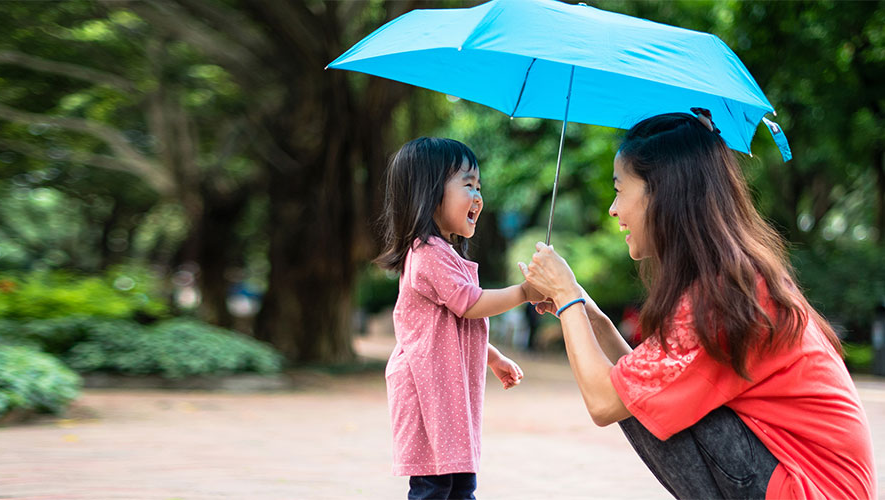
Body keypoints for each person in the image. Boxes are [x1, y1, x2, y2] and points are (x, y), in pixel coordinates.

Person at [519, 110, 876, 499]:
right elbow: (640, 383)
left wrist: (568, 297)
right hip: (805, 481)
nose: (613, 209)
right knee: (647, 394)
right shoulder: (733, 278)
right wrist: (592, 317)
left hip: (805, 487)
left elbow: (605, 403)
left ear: (662, 193)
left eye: (620, 189)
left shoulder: (722, 297)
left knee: (643, 400)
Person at [375, 137, 543, 500]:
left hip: (446, 394)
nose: (478, 197)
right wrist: (524, 292)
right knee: (435, 486)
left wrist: (493, 357)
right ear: (430, 192)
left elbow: (457, 326)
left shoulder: (444, 253)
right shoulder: (428, 252)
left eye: (479, 186)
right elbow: (471, 304)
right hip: (426, 392)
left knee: (459, 482)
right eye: (468, 185)